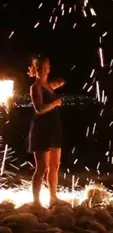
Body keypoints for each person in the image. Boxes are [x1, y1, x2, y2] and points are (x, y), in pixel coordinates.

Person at [28, 56, 65, 207]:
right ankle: (36, 201)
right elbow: (39, 109)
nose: (42, 72)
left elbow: (59, 82)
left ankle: (53, 197)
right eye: (39, 69)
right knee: (42, 167)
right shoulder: (35, 87)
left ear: (49, 69)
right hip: (41, 129)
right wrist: (55, 103)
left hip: (54, 128)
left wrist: (62, 82)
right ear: (34, 70)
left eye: (45, 69)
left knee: (55, 166)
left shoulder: (49, 85)